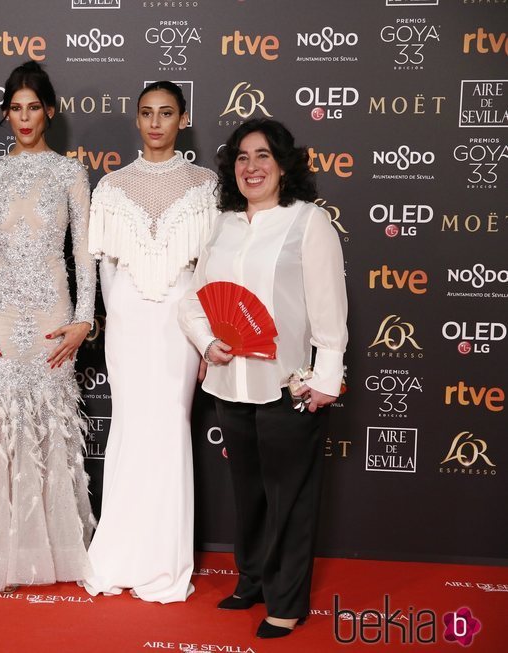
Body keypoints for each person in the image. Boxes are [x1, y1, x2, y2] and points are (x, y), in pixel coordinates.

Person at [180, 118, 347, 638]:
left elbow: (329, 310)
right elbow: (193, 298)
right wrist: (208, 342)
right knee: (248, 490)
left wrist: (327, 378)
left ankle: (287, 601)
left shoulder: (308, 222)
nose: (251, 167)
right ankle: (251, 579)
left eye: (263, 156)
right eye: (242, 158)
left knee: (289, 499)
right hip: (231, 386)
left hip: (289, 386)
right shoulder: (224, 224)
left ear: (283, 164)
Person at [0, 61, 96, 592]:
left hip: (54, 316)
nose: (25, 117)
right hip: (1, 315)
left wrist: (84, 318)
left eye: (34, 107)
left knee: (48, 428)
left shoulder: (71, 172)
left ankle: (47, 552)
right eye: (15, 108)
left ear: (50, 111)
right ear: (6, 114)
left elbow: (84, 254)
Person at [83, 81, 217, 603]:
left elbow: (210, 270)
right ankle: (117, 553)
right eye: (146, 113)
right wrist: (118, 317)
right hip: (128, 320)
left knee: (169, 427)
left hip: (181, 322)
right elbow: (108, 268)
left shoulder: (207, 185)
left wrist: (206, 336)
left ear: (182, 118)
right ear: (135, 121)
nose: (156, 122)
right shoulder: (111, 187)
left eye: (166, 113)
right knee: (130, 427)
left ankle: (163, 561)